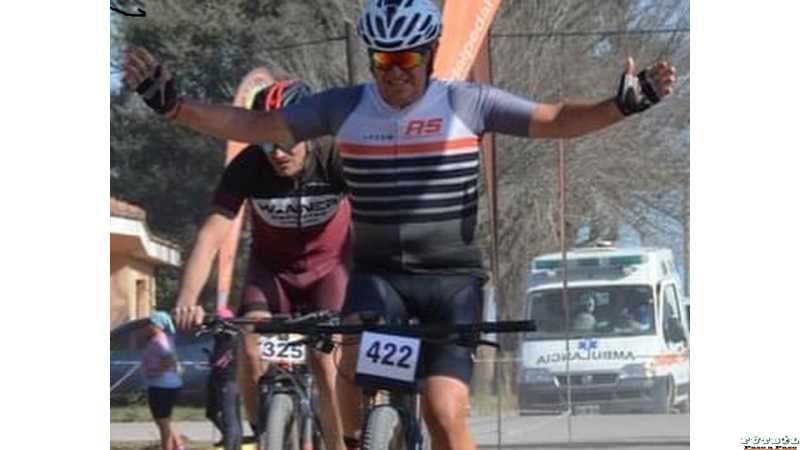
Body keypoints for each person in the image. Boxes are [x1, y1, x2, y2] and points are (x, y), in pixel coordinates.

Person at [125, 1, 677, 448]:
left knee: (442, 412)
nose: (394, 77)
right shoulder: (346, 107)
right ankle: (352, 439)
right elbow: (256, 122)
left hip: (450, 281)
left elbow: (555, 120)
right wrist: (177, 108)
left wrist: (620, 106)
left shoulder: (468, 102)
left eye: (406, 63)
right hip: (380, 275)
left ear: (431, 54)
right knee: (352, 375)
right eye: (383, 63)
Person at [169, 80, 352, 450]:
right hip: (272, 274)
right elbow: (210, 235)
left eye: (285, 142)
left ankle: (338, 444)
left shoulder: (335, 157)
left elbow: (380, 214)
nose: (277, 154)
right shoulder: (249, 166)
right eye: (266, 142)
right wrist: (187, 298)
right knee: (250, 350)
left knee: (325, 360)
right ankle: (264, 433)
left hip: (329, 271)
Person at [140, 311, 185, 450]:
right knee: (165, 420)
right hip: (162, 385)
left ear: (157, 325)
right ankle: (179, 446)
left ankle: (167, 447)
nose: (148, 326)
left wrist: (153, 372)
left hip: (162, 386)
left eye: (151, 323)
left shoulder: (160, 340)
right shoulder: (163, 338)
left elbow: (170, 360)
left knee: (162, 422)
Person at [205, 306, 242, 450]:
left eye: (218, 322)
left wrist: (213, 360)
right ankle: (229, 438)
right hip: (218, 378)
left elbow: (221, 360)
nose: (216, 326)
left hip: (229, 380)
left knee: (230, 419)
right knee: (212, 412)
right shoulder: (220, 337)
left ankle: (232, 444)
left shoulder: (231, 337)